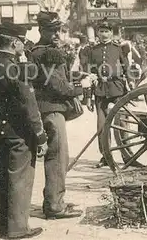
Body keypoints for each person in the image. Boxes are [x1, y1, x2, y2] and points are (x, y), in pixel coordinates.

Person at [0, 24, 48, 239]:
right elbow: (28, 103)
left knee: (2, 176)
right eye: (22, 41)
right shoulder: (13, 68)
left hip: (0, 129)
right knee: (19, 179)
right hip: (20, 132)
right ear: (14, 43)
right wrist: (40, 134)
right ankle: (17, 228)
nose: (24, 45)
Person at [30, 11, 86, 219]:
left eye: (58, 30)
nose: (56, 35)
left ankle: (54, 199)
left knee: (58, 156)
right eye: (52, 31)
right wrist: (81, 87)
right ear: (41, 30)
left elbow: (57, 78)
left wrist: (75, 77)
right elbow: (57, 87)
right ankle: (54, 205)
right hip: (51, 109)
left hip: (49, 108)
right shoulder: (45, 53)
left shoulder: (45, 51)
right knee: (58, 157)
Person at [87, 19, 131, 168]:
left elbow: (126, 68)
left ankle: (127, 155)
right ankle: (106, 156)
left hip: (117, 88)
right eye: (101, 31)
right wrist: (88, 97)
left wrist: (130, 83)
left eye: (106, 31)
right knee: (101, 125)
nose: (104, 34)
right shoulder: (93, 50)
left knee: (122, 123)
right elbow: (90, 73)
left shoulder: (118, 48)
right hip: (100, 90)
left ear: (111, 33)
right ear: (98, 33)